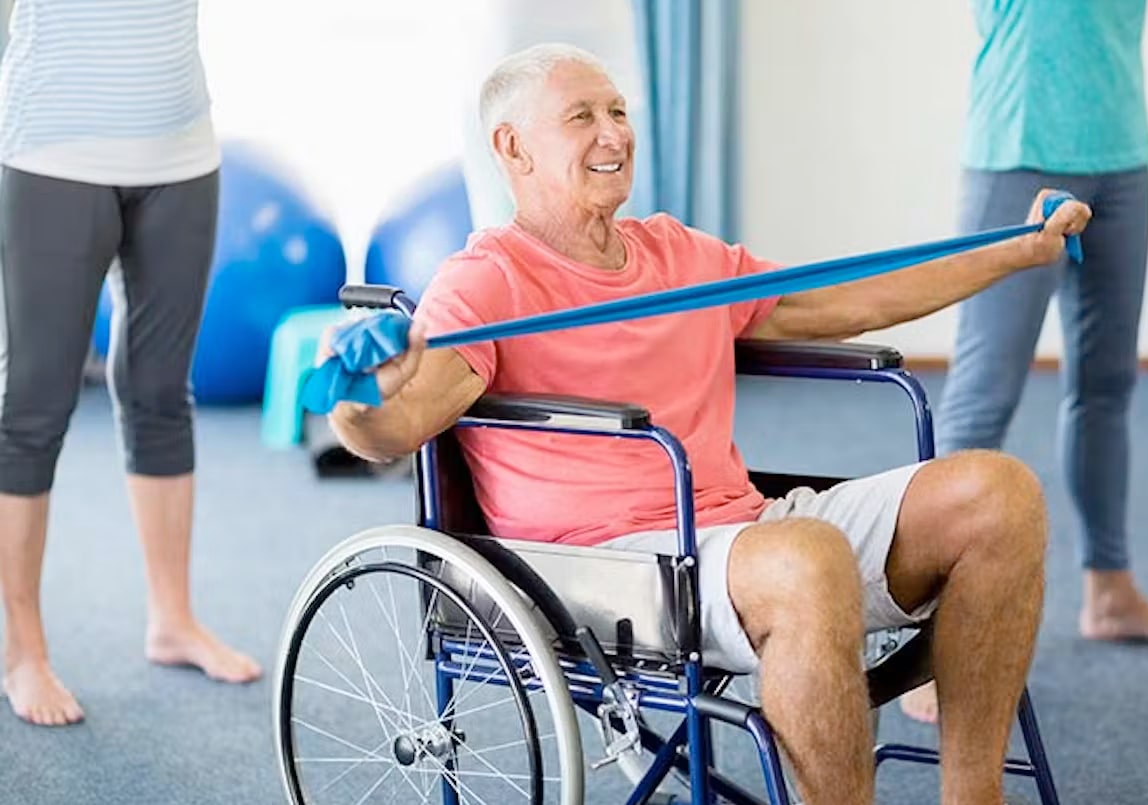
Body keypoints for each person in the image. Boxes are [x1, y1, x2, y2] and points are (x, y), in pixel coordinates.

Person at [323, 43, 1090, 804]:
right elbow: (395, 427)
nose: (614, 133)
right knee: (806, 560)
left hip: (739, 528)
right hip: (606, 564)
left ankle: (973, 794)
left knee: (999, 495)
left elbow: (847, 299)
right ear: (512, 147)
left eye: (619, 111)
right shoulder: (487, 281)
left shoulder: (679, 254)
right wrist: (359, 395)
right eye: (582, 116)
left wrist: (1014, 251)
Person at [899, 0, 1148, 726]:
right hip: (1019, 153)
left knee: (1107, 384)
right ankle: (929, 645)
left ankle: (1110, 590)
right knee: (984, 395)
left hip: (1120, 154)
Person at [0, 0, 261, 727]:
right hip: (55, 151)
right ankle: (21, 649)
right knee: (32, 405)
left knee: (159, 389)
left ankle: (172, 619)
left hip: (181, 150)